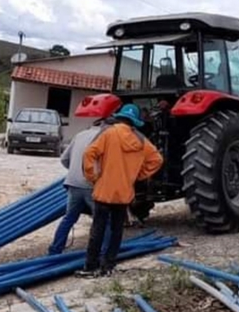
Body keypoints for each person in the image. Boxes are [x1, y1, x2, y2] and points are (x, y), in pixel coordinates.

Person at [80, 103, 163, 277]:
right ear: (134, 121)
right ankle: (109, 265)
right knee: (117, 231)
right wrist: (139, 175)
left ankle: (90, 267)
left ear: (119, 117)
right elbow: (157, 159)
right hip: (124, 194)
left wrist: (92, 176)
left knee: (97, 230)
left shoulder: (109, 133)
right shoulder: (140, 139)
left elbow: (89, 153)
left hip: (104, 191)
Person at [47, 120, 110, 256]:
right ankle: (103, 253)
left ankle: (55, 250)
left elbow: (64, 159)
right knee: (102, 220)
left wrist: (75, 170)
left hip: (72, 183)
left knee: (69, 218)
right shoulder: (105, 138)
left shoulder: (80, 135)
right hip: (91, 185)